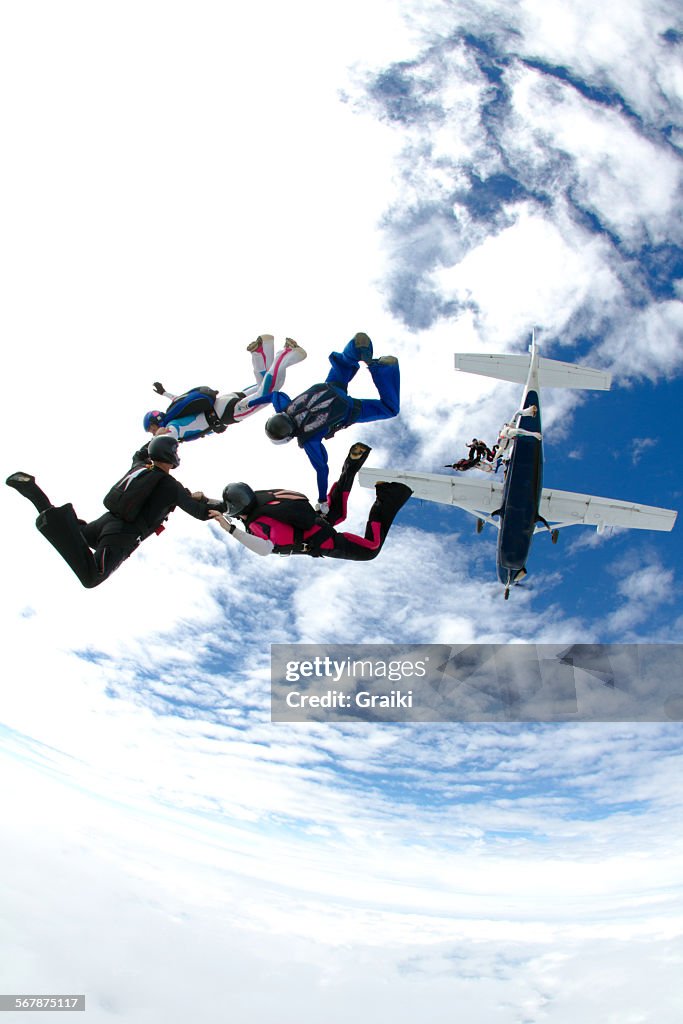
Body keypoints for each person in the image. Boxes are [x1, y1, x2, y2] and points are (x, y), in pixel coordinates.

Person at [5, 436, 220, 589]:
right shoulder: (172, 486)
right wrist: (226, 506)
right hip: (121, 535)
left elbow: (139, 453)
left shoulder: (139, 466)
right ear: (172, 457)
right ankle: (50, 508)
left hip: (103, 524)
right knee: (92, 578)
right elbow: (201, 513)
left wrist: (160, 436)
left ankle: (41, 499)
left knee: (72, 533)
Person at [253, 332, 400, 511]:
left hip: (349, 409)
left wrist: (322, 499)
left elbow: (322, 470)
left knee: (389, 408)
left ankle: (384, 368)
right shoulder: (285, 407)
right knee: (343, 364)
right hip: (331, 387)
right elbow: (272, 396)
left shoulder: (309, 440)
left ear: (289, 436)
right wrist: (249, 403)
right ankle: (356, 348)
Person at [209, 443, 412, 561]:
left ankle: (389, 495)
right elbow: (229, 506)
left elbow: (263, 549)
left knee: (371, 550)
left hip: (321, 540)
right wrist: (205, 500)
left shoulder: (257, 524)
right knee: (338, 511)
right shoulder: (260, 499)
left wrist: (230, 529)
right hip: (315, 519)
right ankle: (352, 464)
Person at [142, 334, 307, 444]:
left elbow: (167, 437)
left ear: (155, 424)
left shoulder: (172, 425)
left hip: (225, 413)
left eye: (152, 429)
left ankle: (285, 353)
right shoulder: (175, 412)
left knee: (268, 393)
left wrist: (154, 442)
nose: (153, 432)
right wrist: (164, 393)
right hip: (222, 403)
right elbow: (178, 399)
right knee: (263, 385)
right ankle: (260, 351)